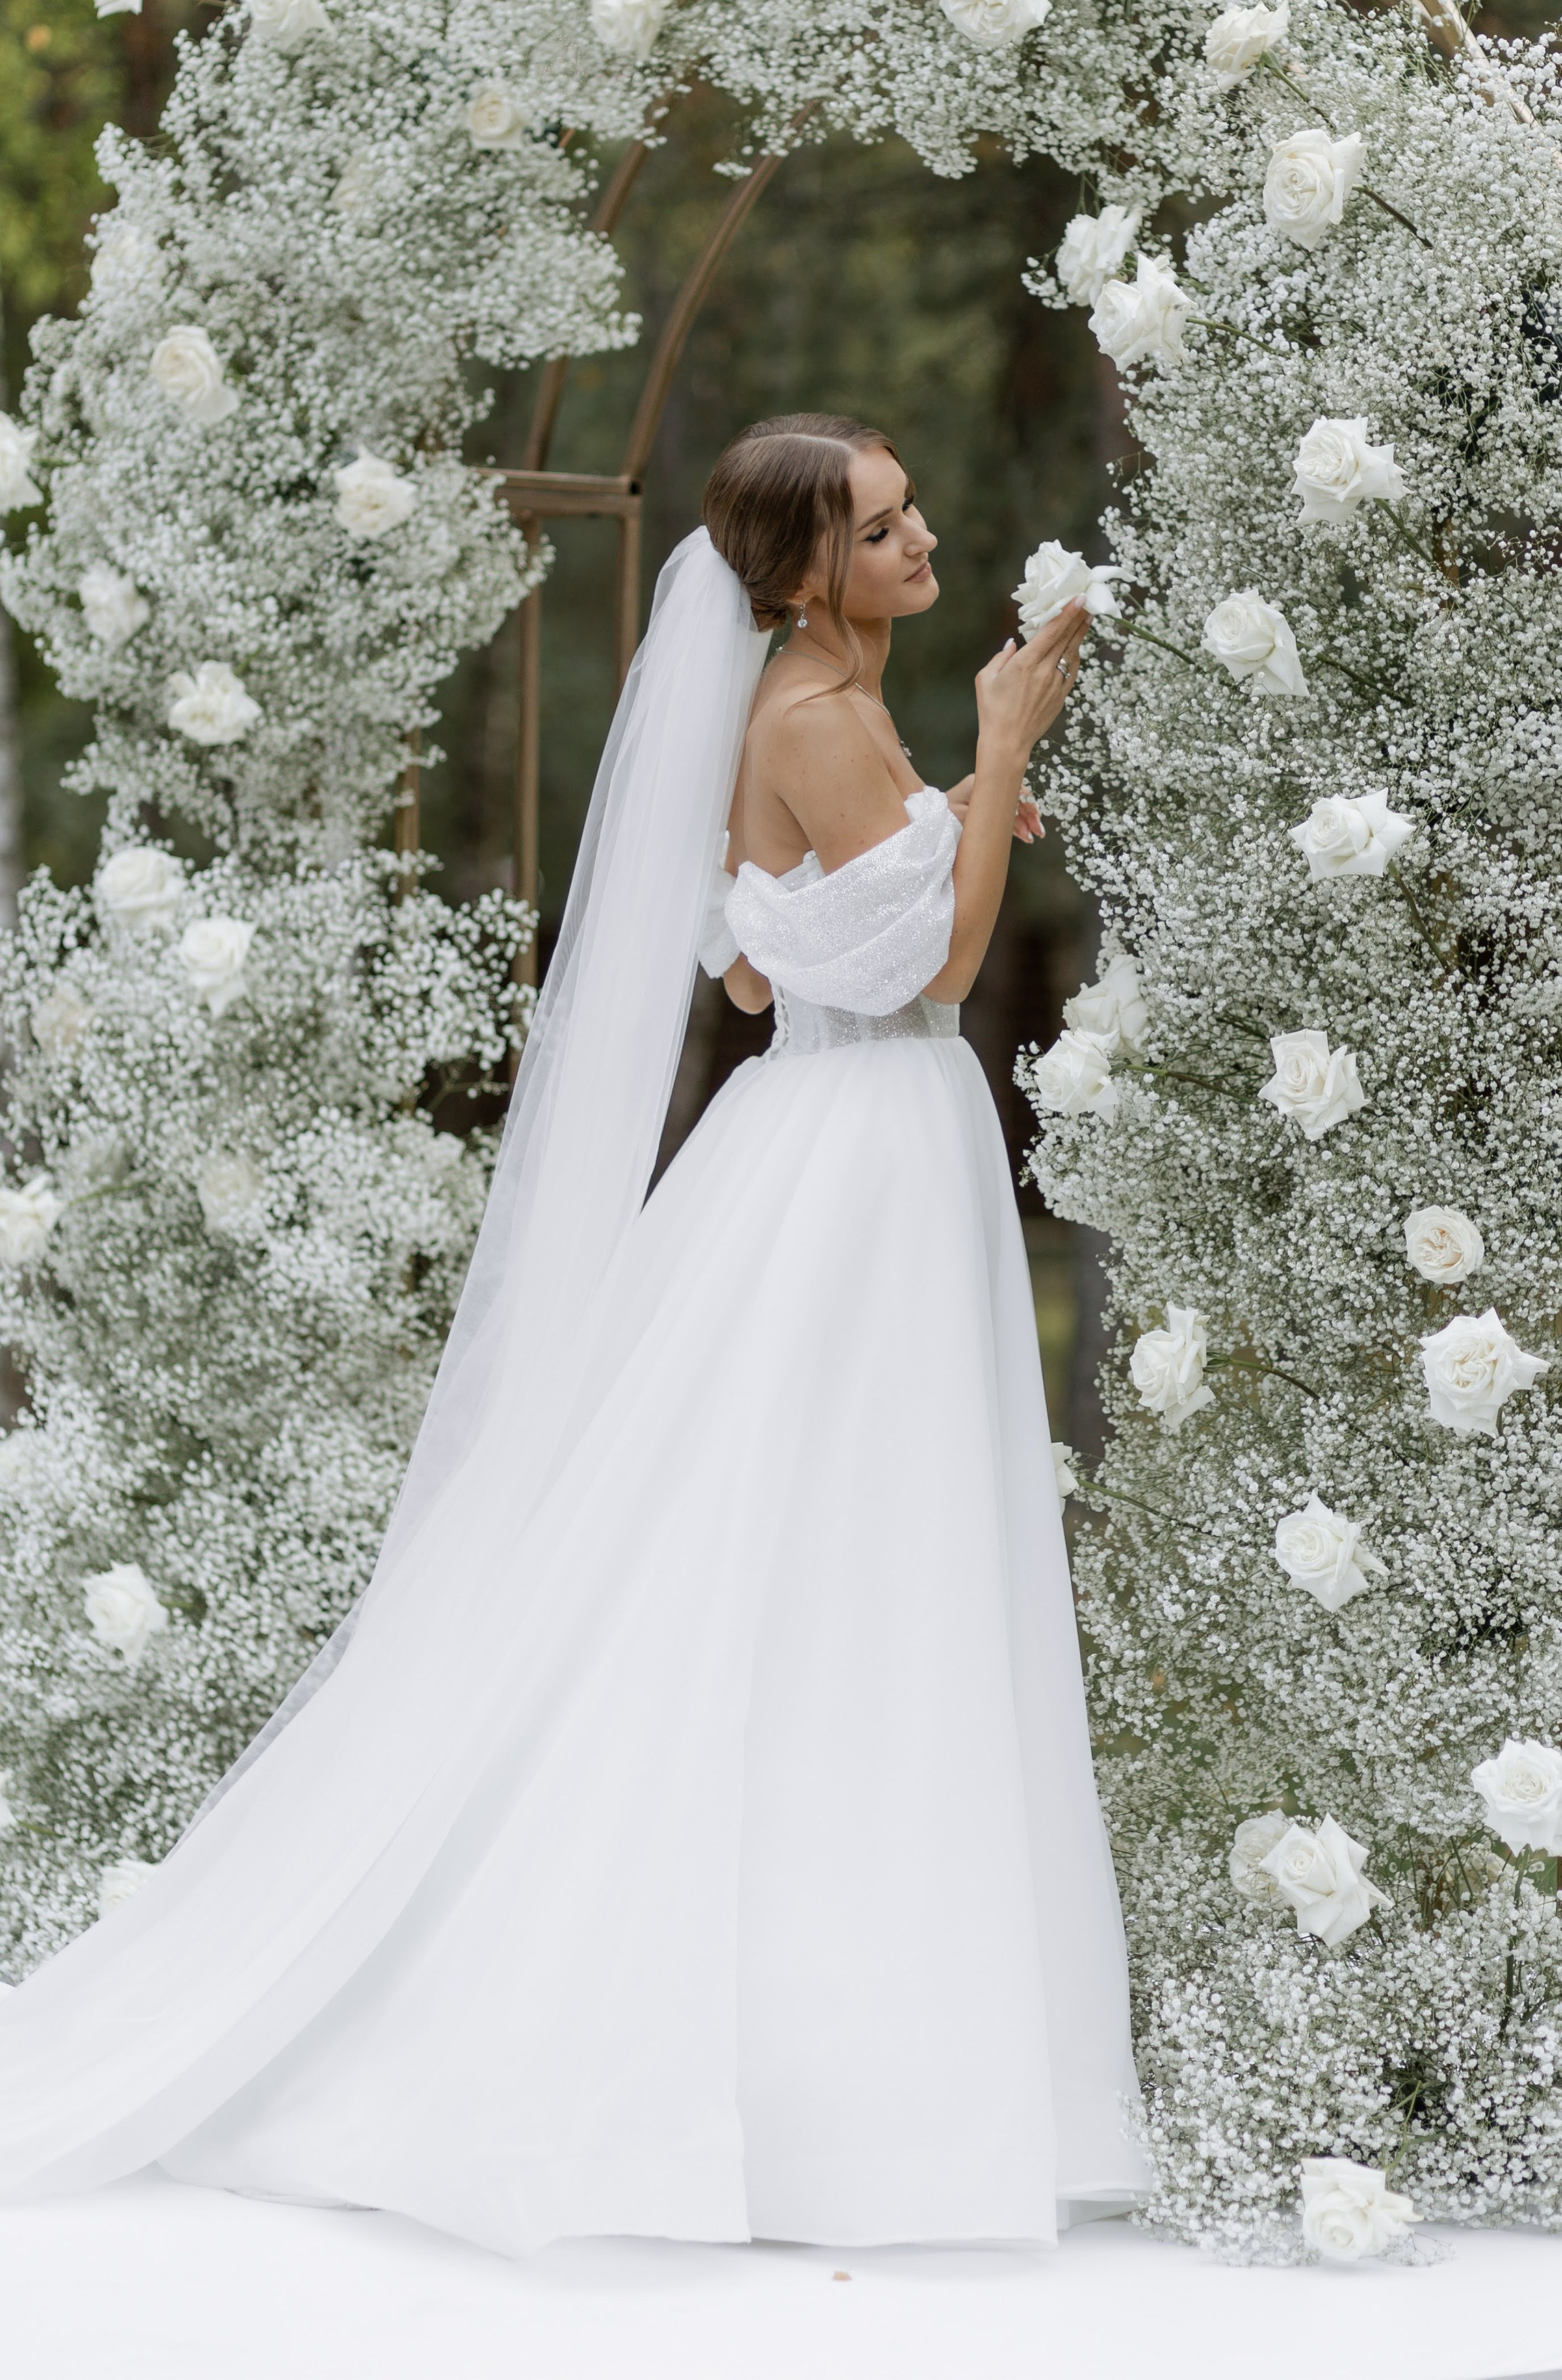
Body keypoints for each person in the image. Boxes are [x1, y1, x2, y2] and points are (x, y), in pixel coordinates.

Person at [0, 413, 1145, 2254]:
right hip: (860, 1149)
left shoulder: (819, 703)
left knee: (851, 1550)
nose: (923, 538)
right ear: (804, 574)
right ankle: (821, 2093)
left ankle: (851, 2061)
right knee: (851, 1550)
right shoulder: (810, 715)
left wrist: (944, 818)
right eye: (881, 527)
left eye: (911, 508)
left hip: (858, 1134)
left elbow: (760, 961)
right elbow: (936, 968)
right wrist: (1003, 746)